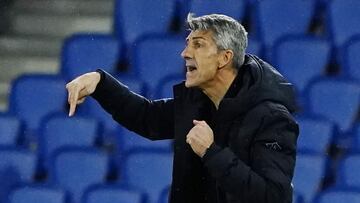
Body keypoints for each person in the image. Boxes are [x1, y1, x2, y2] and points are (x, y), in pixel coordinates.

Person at [66, 13, 299, 203]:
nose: (185, 53)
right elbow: (147, 118)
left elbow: (273, 197)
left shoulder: (272, 118)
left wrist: (212, 152)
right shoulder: (198, 103)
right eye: (188, 44)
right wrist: (100, 84)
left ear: (224, 58)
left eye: (198, 45)